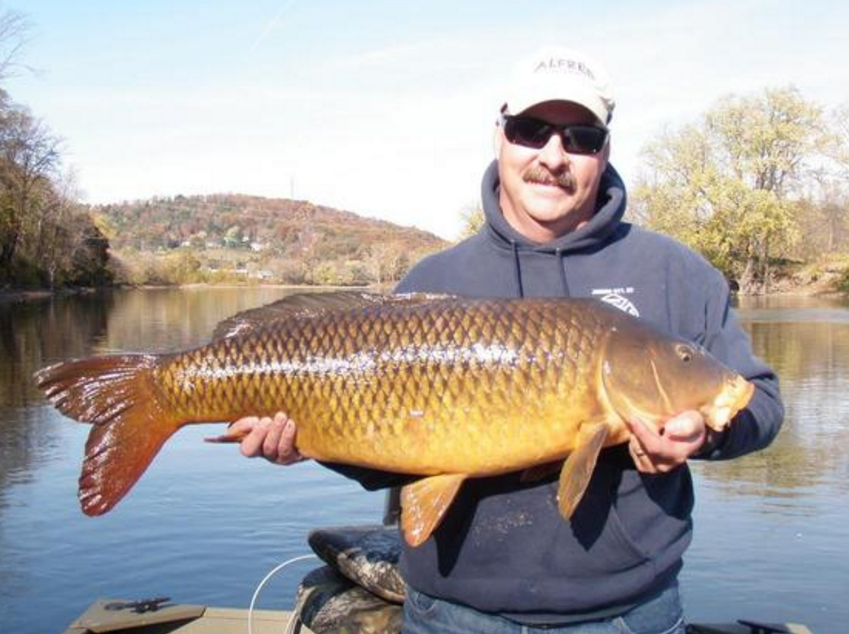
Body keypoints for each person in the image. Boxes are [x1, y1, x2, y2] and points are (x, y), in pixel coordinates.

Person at [228, 46, 784, 633]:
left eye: (580, 138)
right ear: (500, 137)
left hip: (629, 615)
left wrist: (701, 438)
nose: (553, 155)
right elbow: (385, 456)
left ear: (605, 151)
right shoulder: (435, 282)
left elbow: (758, 403)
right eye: (530, 131)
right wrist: (308, 440)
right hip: (454, 616)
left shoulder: (673, 272)